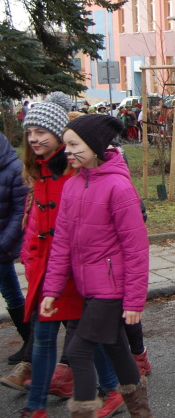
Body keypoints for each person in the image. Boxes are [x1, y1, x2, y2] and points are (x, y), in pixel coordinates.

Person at [40, 114, 153, 417]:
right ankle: (141, 412)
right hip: (87, 287)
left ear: (95, 146)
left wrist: (134, 301)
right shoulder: (72, 185)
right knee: (116, 347)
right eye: (66, 145)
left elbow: (136, 249)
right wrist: (51, 289)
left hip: (110, 290)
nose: (67, 151)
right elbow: (62, 243)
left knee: (77, 352)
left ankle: (84, 412)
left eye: (74, 145)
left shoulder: (119, 187)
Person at [5, 94, 83, 415]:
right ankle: (35, 406)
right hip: (45, 273)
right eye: (29, 132)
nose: (34, 139)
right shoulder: (36, 172)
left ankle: (119, 389)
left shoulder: (75, 171)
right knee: (43, 339)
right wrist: (30, 257)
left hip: (73, 271)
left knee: (90, 340)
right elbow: (34, 223)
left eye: (41, 132)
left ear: (58, 133)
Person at [0, 133, 30, 365]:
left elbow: (21, 211)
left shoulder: (14, 169)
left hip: (3, 245)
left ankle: (30, 342)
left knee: (11, 292)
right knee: (10, 290)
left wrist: (3, 244)